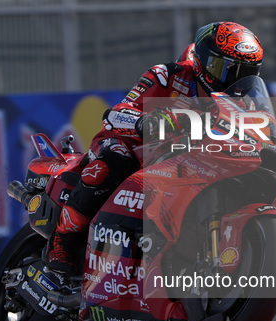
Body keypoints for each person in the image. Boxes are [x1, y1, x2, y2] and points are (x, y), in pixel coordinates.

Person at [45, 21, 264, 276]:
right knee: (113, 163)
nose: (232, 80)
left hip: (185, 161)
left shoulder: (244, 103)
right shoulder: (167, 75)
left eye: (243, 73)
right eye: (225, 69)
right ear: (205, 59)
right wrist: (144, 121)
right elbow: (116, 114)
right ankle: (61, 242)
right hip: (133, 146)